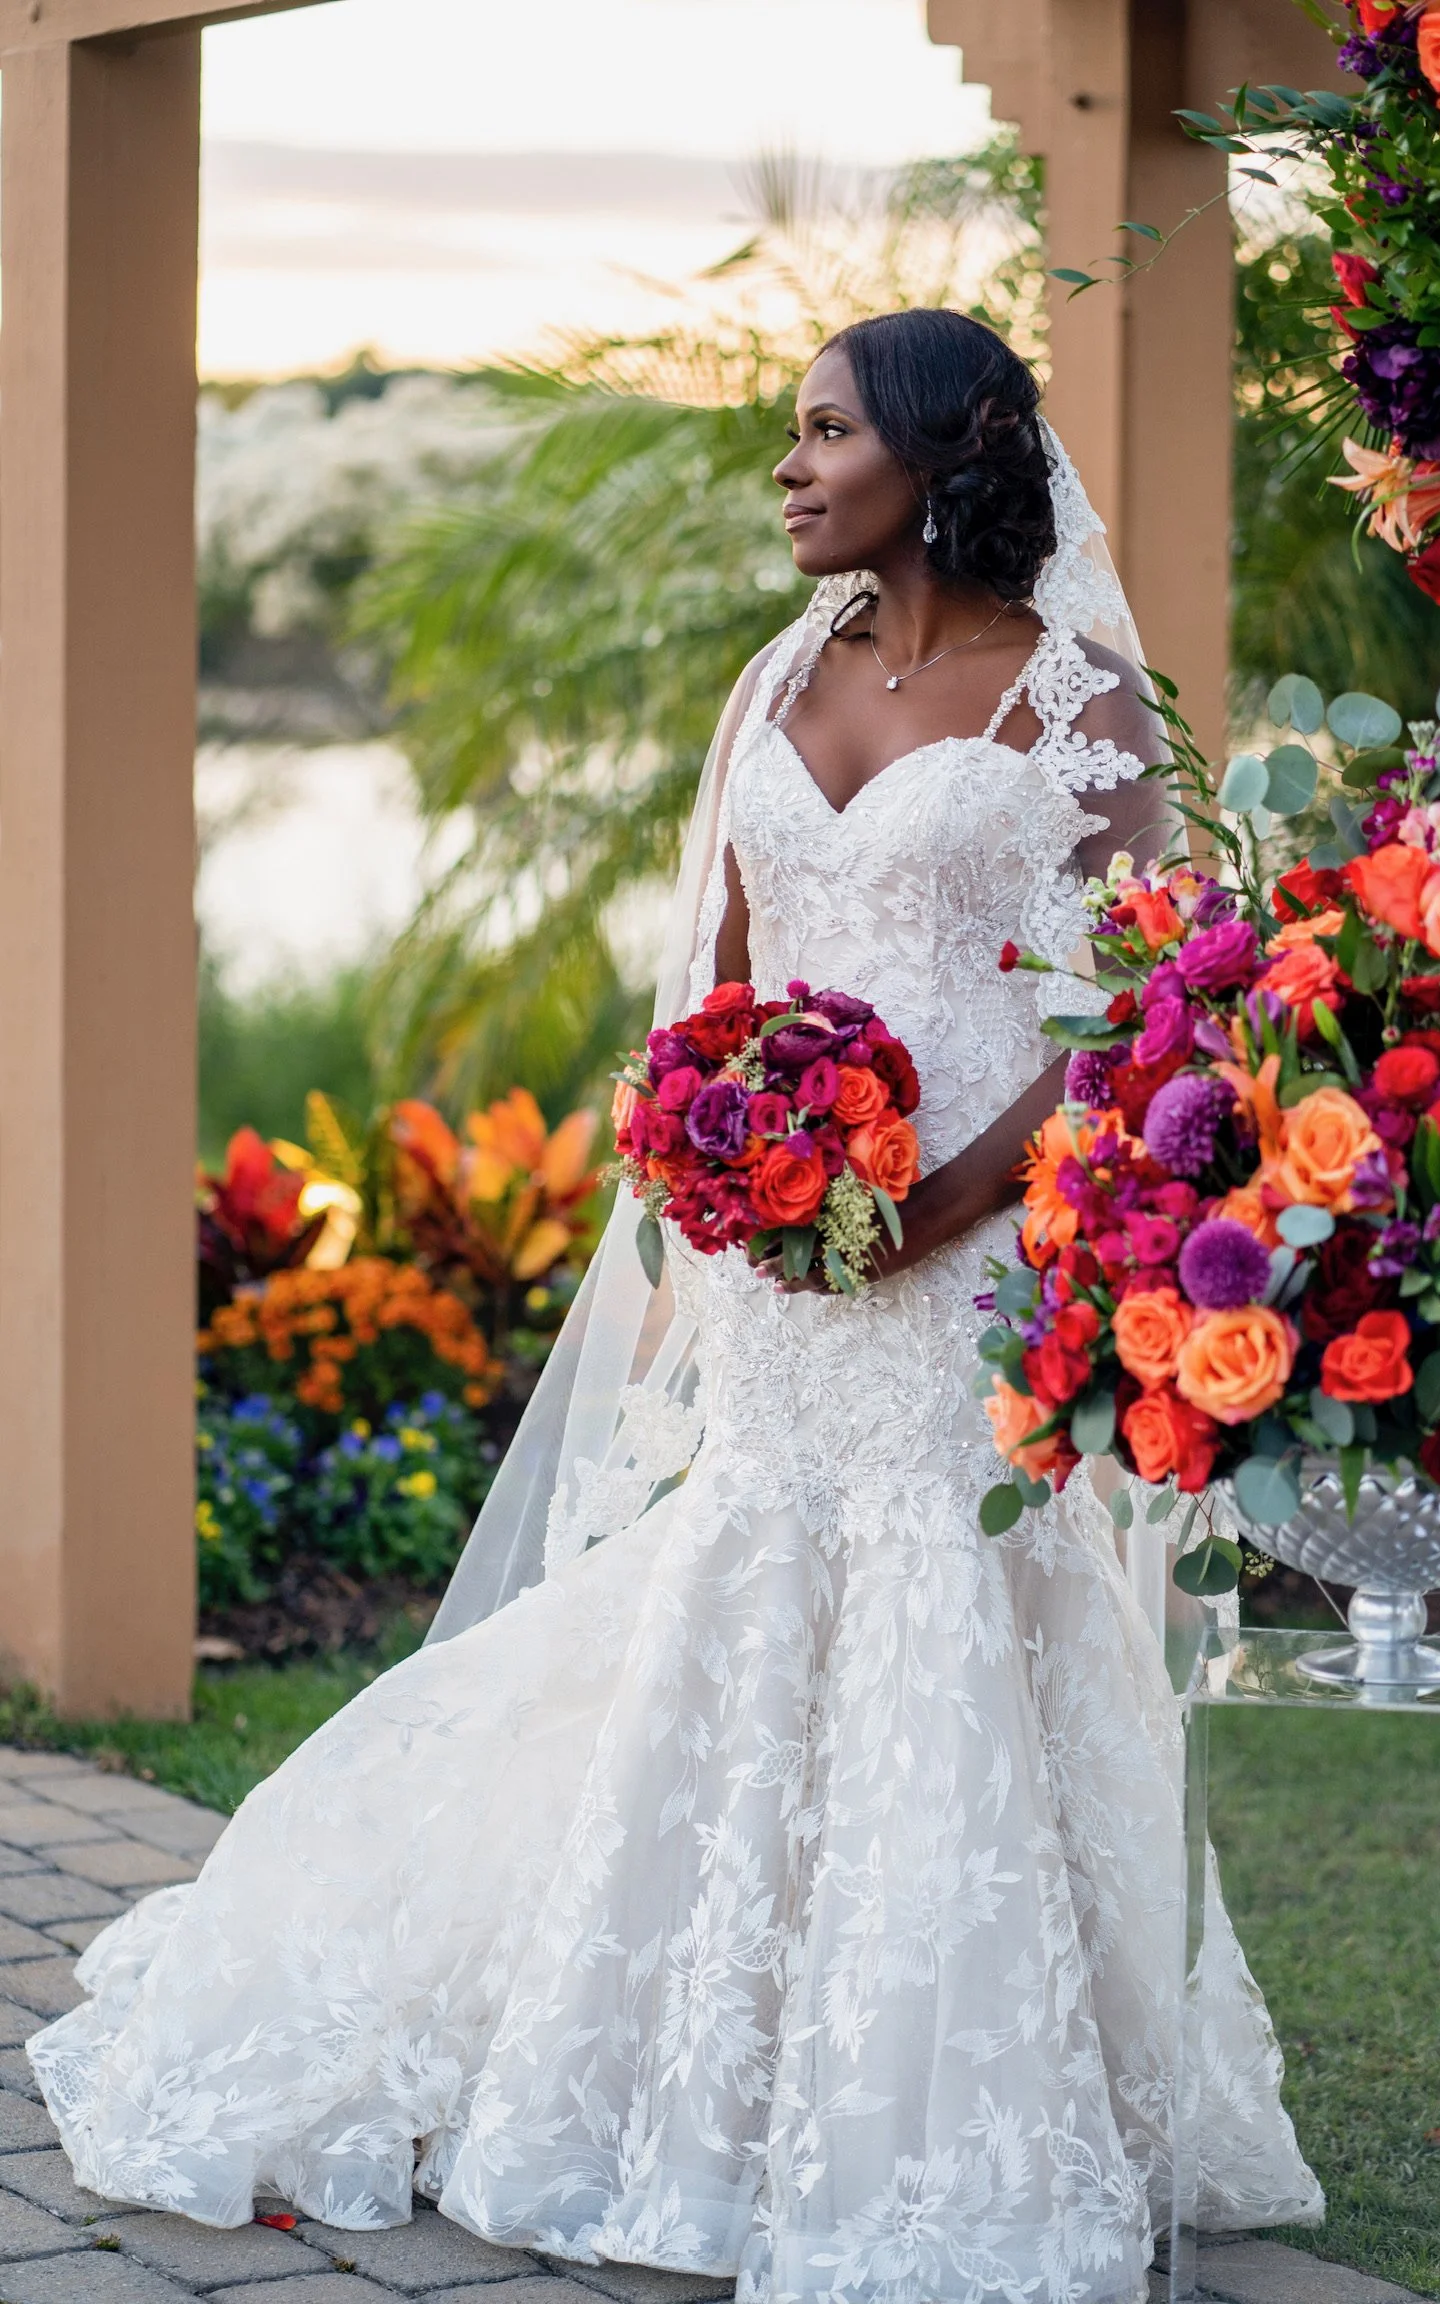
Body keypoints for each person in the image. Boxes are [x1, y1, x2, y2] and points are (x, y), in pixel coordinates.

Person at [29, 309, 1320, 2302]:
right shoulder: (781, 678)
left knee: (945, 1612)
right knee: (749, 1583)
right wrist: (735, 1146)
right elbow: (721, 968)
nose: (790, 469)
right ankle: (680, 2058)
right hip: (793, 1263)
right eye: (789, 434)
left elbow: (1139, 1004)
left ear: (939, 454)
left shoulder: (1074, 703)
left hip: (965, 1268)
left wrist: (945, 1191)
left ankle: (931, 2098)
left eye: (825, 434)